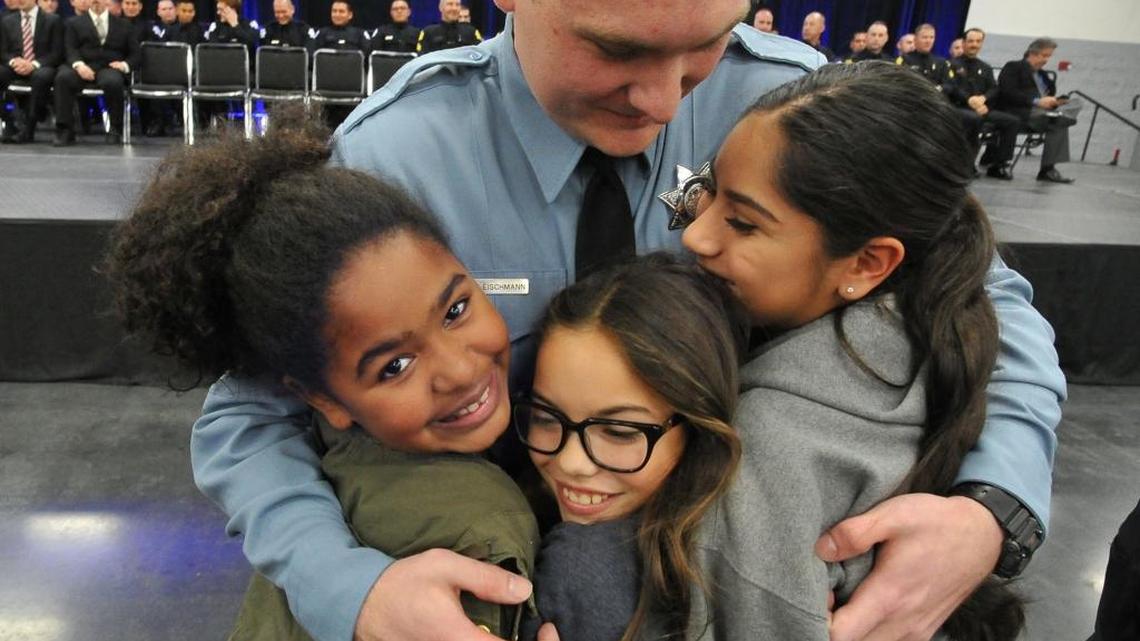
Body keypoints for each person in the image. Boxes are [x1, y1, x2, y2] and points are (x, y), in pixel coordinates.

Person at [192, 2, 1064, 641]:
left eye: (705, 47)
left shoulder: (784, 108)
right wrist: (351, 591)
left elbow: (983, 294)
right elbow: (251, 411)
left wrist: (993, 511)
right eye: (616, 50)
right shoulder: (401, 153)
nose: (662, 101)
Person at [106, 108, 540, 641]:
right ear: (323, 399)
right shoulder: (472, 533)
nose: (459, 369)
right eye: (394, 366)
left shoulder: (359, 482)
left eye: (455, 310)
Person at [681, 61, 1025, 641]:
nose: (694, 234)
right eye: (706, 194)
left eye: (741, 222)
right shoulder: (938, 335)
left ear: (868, 264)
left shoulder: (762, 447)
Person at [516, 254, 747, 641]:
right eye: (546, 418)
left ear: (697, 428)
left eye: (619, 431)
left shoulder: (579, 569)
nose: (572, 462)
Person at [52, 0, 138, 145]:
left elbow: (136, 54)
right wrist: (79, 65)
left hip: (109, 67)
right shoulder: (73, 23)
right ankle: (65, 130)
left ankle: (115, 129)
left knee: (113, 82)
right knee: (63, 78)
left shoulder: (124, 24)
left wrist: (124, 64)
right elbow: (69, 49)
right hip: (82, 65)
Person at [996, 37, 1078, 184]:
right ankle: (1048, 170)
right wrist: (1036, 102)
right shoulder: (1014, 67)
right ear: (1033, 53)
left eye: (1049, 56)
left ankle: (1059, 114)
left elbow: (1049, 96)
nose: (1047, 60)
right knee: (1059, 121)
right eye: (1045, 55)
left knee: (1074, 103)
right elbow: (1007, 92)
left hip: (1044, 113)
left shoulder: (1043, 75)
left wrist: (1057, 101)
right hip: (1024, 111)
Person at [947, 27, 1021, 180]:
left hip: (981, 108)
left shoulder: (985, 67)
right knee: (973, 119)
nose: (974, 44)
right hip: (958, 107)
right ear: (964, 42)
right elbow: (952, 87)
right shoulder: (951, 64)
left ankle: (998, 165)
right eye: (971, 41)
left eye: (978, 41)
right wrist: (969, 100)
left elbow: (994, 88)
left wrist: (984, 100)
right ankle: (966, 164)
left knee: (1012, 121)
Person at [0, 0, 63, 144]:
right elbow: (3, 52)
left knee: (41, 77)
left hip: (41, 65)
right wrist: (14, 61)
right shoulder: (7, 21)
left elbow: (57, 53)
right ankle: (11, 121)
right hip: (15, 65)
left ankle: (29, 126)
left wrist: (34, 64)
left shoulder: (53, 20)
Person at [897, 24, 953, 93]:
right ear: (915, 39)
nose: (928, 41)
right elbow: (898, 80)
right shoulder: (905, 59)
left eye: (931, 37)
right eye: (924, 37)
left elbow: (950, 85)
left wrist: (938, 88)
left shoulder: (941, 62)